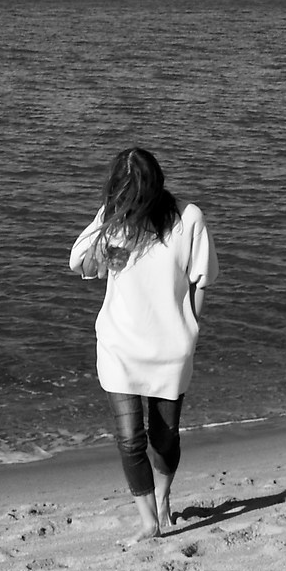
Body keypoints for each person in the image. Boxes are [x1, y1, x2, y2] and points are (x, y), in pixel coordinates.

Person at [68, 147, 217, 542]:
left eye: (135, 193)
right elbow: (79, 264)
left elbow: (201, 279)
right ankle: (148, 522)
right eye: (122, 192)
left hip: (170, 349)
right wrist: (103, 247)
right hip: (119, 345)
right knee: (130, 438)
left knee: (164, 438)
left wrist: (192, 330)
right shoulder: (113, 217)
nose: (129, 201)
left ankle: (163, 500)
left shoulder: (188, 219)